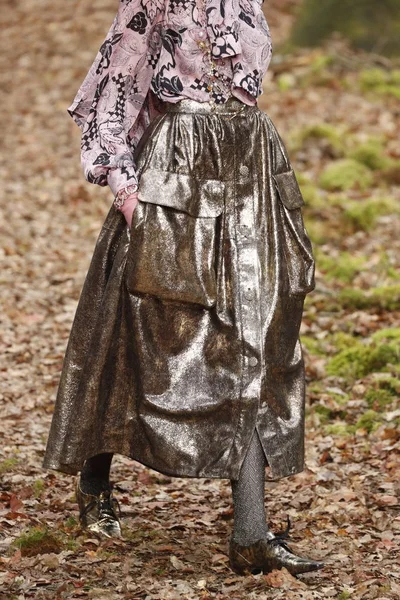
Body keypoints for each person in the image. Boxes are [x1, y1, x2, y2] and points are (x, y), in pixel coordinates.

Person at [43, 0, 324, 576]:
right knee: (142, 329)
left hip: (252, 167)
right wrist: (125, 189)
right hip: (177, 174)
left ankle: (250, 532)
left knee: (259, 337)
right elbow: (113, 87)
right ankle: (96, 475)